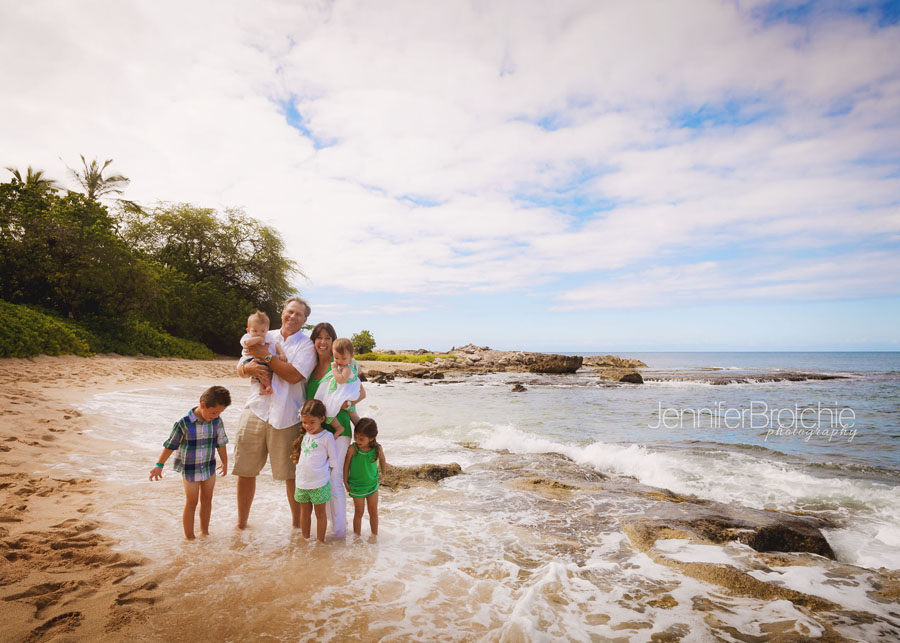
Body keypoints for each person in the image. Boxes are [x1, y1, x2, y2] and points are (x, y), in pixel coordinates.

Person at [234, 297, 317, 529]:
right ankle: (241, 525)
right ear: (282, 312)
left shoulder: (306, 346)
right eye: (290, 312)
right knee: (245, 471)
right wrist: (246, 368)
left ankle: (298, 528)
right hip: (256, 410)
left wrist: (266, 356)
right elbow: (241, 364)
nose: (293, 317)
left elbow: (293, 375)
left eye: (298, 314)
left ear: (305, 320)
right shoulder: (263, 334)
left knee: (291, 476)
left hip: (287, 415)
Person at [307, 322, 366, 537]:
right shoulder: (309, 366)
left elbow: (360, 391)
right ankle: (331, 526)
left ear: (333, 341)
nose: (323, 342)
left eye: (327, 338)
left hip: (340, 429)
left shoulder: (343, 365)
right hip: (317, 432)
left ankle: (340, 530)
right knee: (320, 479)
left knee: (334, 477)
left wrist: (349, 405)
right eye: (319, 337)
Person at [149, 385, 231, 540]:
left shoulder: (216, 421)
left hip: (209, 467)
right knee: (192, 502)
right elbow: (170, 445)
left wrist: (225, 462)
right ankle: (190, 538)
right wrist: (159, 465)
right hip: (190, 469)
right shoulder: (184, 423)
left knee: (207, 500)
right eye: (214, 412)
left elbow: (221, 442)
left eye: (220, 413)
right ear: (202, 405)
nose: (216, 415)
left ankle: (204, 533)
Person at [290, 399, 337, 542]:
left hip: (319, 482)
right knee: (304, 513)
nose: (307, 426)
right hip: (302, 482)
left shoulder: (327, 436)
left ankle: (320, 543)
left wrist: (323, 475)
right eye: (305, 422)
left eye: (312, 422)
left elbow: (333, 460)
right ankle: (305, 540)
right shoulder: (304, 436)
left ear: (322, 419)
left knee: (320, 514)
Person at [343, 418, 386, 536]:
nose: (357, 441)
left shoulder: (377, 448)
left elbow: (382, 459)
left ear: (371, 438)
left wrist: (384, 473)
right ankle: (357, 538)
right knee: (359, 513)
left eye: (361, 439)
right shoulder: (353, 449)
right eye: (355, 437)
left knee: (373, 512)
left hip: (372, 484)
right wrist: (345, 481)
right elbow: (346, 464)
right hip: (357, 486)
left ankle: (374, 536)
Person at [314, 337, 361, 433]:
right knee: (354, 416)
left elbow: (340, 380)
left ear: (351, 355)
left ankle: (339, 427)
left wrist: (334, 369)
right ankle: (364, 433)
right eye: (336, 358)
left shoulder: (347, 368)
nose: (339, 361)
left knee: (328, 410)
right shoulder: (353, 363)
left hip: (344, 395)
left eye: (343, 358)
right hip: (348, 393)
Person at [239, 310, 286, 395]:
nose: (259, 333)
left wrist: (281, 353)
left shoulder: (268, 336)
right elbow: (247, 343)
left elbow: (276, 344)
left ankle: (262, 388)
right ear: (248, 330)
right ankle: (267, 386)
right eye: (255, 331)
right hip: (250, 360)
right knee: (261, 373)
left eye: (263, 331)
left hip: (263, 360)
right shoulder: (247, 337)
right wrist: (258, 339)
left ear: (267, 330)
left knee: (266, 373)